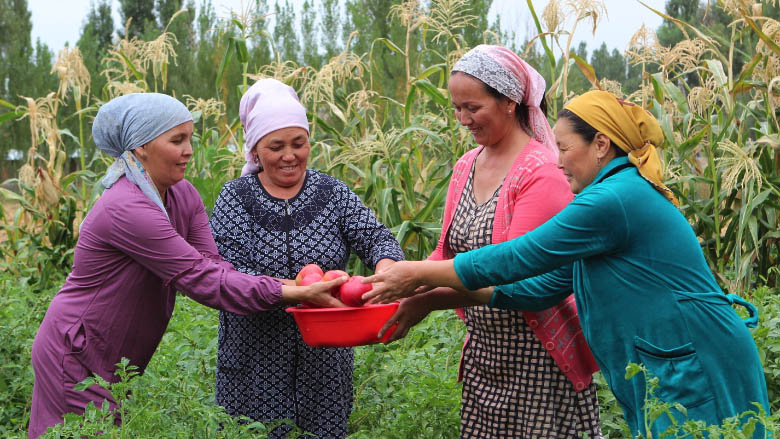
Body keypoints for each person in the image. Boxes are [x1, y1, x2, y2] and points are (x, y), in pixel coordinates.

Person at [364, 90, 771, 438]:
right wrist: (432, 298)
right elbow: (538, 287)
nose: (557, 162)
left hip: (696, 357)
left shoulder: (614, 198)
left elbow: (518, 257)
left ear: (600, 144)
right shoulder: (608, 196)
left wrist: (415, 272)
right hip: (670, 358)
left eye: (563, 148)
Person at [28, 93, 346, 439]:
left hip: (115, 352)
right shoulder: (125, 208)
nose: (189, 149)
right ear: (141, 147)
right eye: (177, 140)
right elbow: (199, 277)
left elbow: (214, 265)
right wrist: (291, 290)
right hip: (77, 349)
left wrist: (290, 286)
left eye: (190, 138)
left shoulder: (183, 195)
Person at [373, 44, 601, 438]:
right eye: (457, 108)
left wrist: (426, 294)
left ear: (510, 101)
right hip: (485, 355)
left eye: (473, 107)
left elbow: (517, 281)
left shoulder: (541, 172)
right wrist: (390, 288)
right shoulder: (466, 165)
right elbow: (445, 253)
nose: (463, 119)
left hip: (538, 357)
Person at [209, 78, 404, 439]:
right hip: (254, 356)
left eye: (299, 143)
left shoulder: (331, 193)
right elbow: (227, 271)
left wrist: (386, 270)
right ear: (254, 151)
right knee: (256, 432)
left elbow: (377, 237)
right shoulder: (234, 198)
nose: (290, 155)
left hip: (325, 358)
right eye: (276, 146)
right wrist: (295, 290)